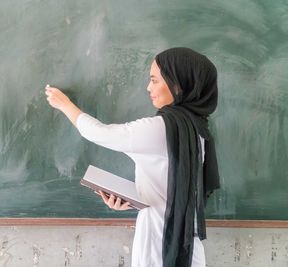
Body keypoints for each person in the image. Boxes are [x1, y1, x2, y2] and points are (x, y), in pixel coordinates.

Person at [45, 47, 220, 267]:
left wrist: (64, 104)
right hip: (188, 247)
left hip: (160, 244)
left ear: (177, 85)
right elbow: (169, 189)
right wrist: (133, 201)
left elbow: (99, 133)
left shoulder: (160, 128)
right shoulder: (198, 130)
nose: (149, 87)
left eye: (155, 80)